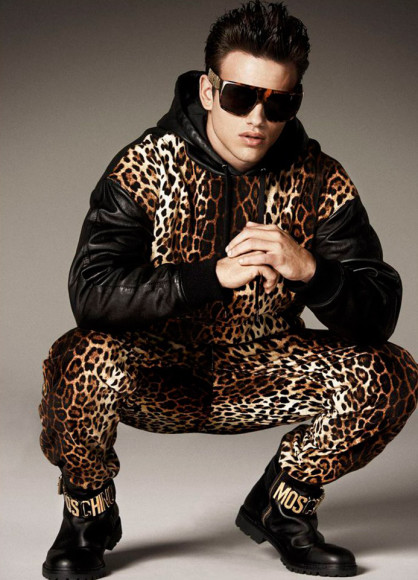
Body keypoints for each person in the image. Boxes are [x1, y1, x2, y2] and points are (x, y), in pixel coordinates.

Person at [39, 1, 418, 578]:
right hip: (157, 369)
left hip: (261, 369)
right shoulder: (144, 164)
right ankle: (87, 517)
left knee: (392, 373)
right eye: (241, 97)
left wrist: (311, 269)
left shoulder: (321, 178)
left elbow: (379, 310)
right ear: (209, 90)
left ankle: (283, 507)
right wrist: (208, 277)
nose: (258, 119)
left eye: (279, 103)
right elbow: (91, 293)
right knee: (78, 359)